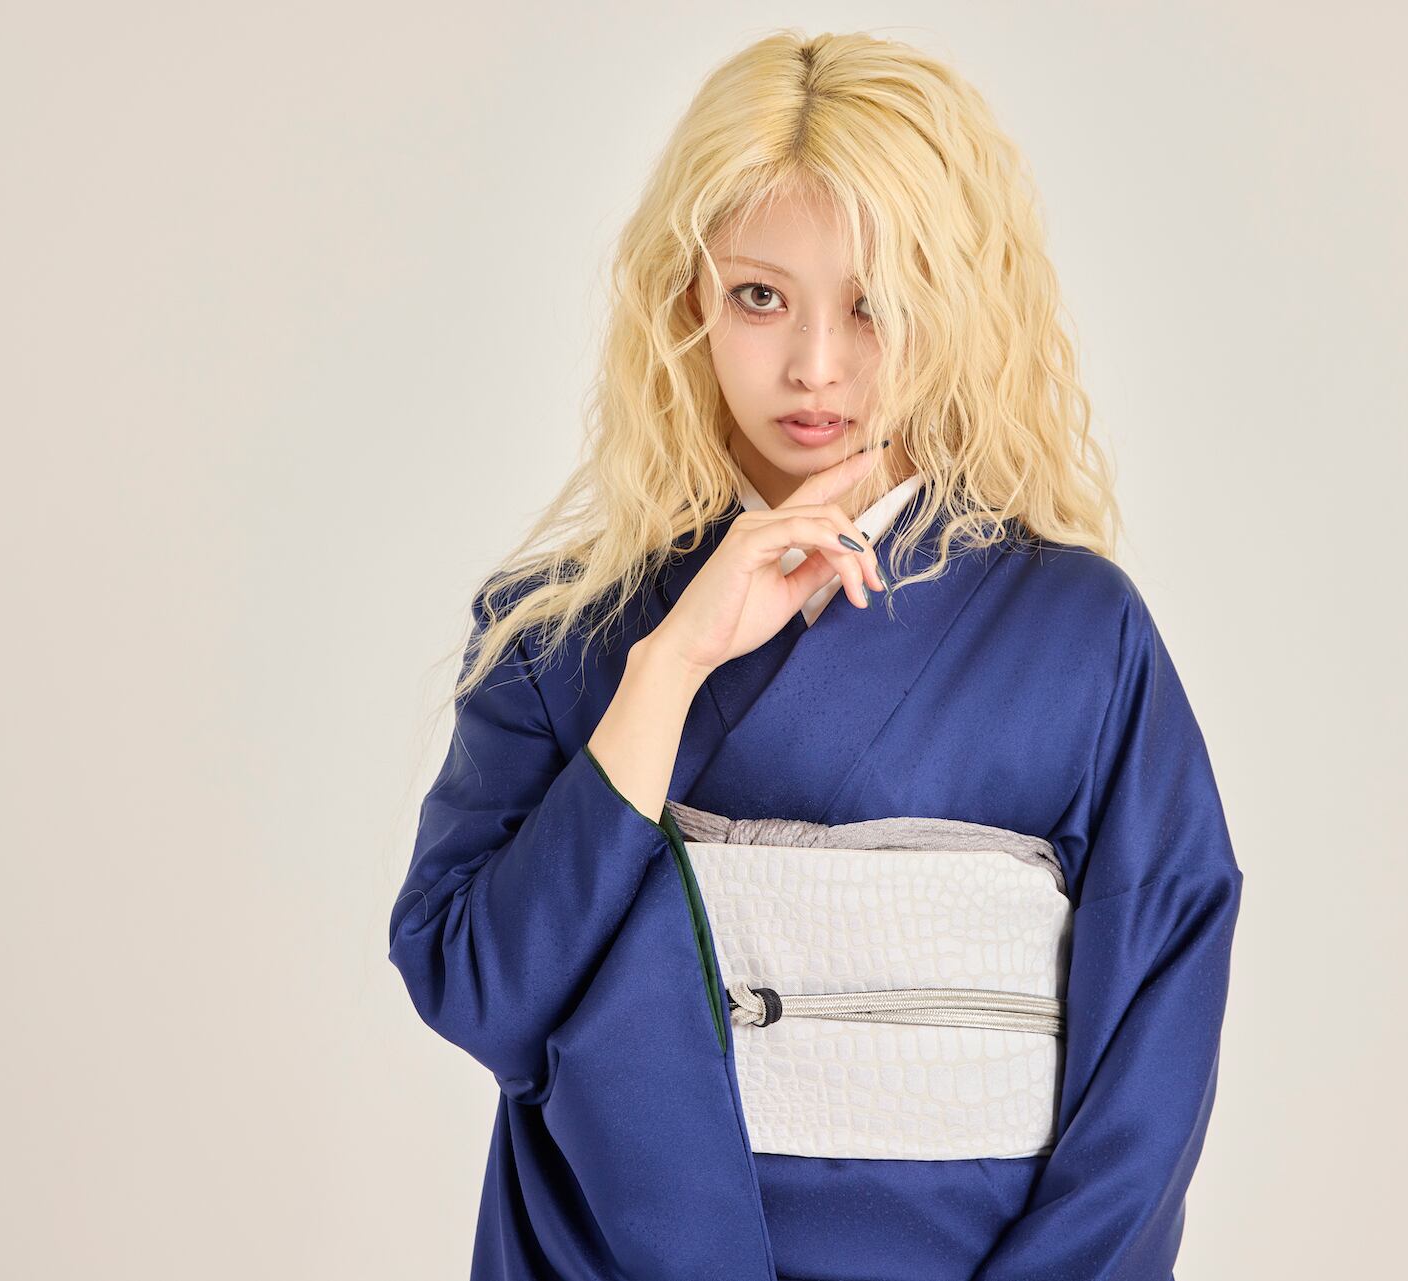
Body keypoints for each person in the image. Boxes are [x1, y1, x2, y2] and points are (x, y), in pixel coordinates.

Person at [387, 29, 1242, 1281]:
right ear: (688, 300)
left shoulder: (1079, 631)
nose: (816, 367)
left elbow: (1151, 1070)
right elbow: (479, 993)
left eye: (872, 302)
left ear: (955, 305)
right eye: (760, 296)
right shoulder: (561, 634)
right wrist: (669, 664)